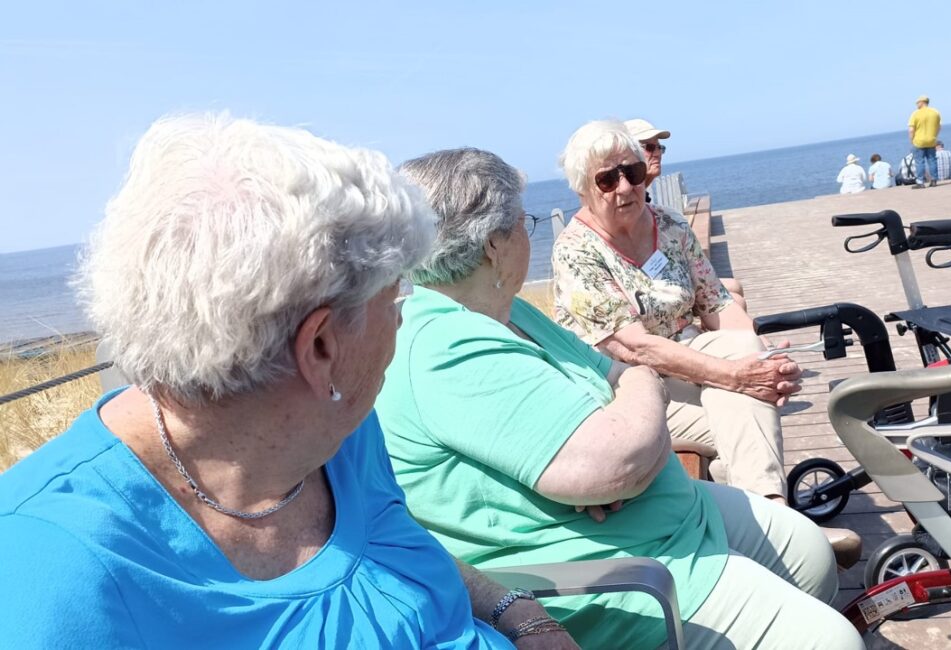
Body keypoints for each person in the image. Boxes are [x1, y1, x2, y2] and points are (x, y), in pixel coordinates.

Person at [0, 114, 576, 649]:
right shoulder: (50, 569)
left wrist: (515, 611)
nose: (404, 314)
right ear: (322, 347)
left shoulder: (337, 430)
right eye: (395, 294)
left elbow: (392, 549)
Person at [377, 146, 864, 650]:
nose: (529, 232)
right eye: (523, 221)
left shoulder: (511, 314)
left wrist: (634, 399)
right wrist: (633, 408)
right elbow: (617, 458)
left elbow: (622, 375)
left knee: (809, 552)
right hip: (617, 578)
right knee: (832, 641)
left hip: (661, 518)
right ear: (495, 244)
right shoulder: (445, 346)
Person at [550, 118, 860, 551]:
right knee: (747, 408)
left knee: (744, 366)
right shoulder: (576, 251)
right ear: (583, 188)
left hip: (691, 365)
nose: (624, 187)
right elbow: (636, 347)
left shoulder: (670, 226)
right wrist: (737, 376)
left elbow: (716, 305)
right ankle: (781, 530)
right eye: (607, 179)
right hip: (628, 389)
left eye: (633, 172)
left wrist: (763, 360)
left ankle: (772, 531)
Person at [625, 118, 747, 312]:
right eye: (649, 147)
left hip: (665, 279)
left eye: (659, 147)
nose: (656, 153)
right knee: (734, 297)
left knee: (734, 289)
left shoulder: (648, 202)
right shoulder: (626, 205)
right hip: (652, 294)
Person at [908, 94, 942, 188]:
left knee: (919, 161)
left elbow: (911, 130)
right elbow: (939, 126)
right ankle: (934, 180)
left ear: (922, 102)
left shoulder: (915, 114)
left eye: (917, 103)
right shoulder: (935, 112)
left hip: (919, 141)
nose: (916, 105)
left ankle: (920, 182)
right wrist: (934, 135)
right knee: (932, 160)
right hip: (931, 140)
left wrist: (912, 140)